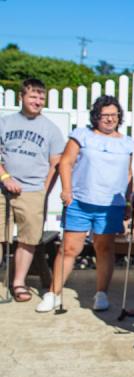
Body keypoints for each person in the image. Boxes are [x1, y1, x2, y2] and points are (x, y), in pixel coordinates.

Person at [35, 95, 134, 312]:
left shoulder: (127, 143)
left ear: (119, 116)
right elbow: (66, 162)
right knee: (69, 249)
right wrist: (67, 190)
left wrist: (128, 200)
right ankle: (53, 293)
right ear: (96, 116)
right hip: (80, 201)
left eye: (114, 115)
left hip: (111, 205)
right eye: (104, 115)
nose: (109, 119)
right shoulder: (82, 135)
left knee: (105, 248)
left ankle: (101, 294)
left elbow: (128, 174)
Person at [0, 78, 64, 302]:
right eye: (33, 96)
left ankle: (18, 283)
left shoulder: (50, 129)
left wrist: (43, 190)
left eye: (41, 97)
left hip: (32, 191)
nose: (37, 101)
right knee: (0, 236)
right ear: (22, 97)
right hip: (3, 188)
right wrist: (5, 177)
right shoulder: (5, 123)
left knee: (28, 239)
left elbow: (56, 163)